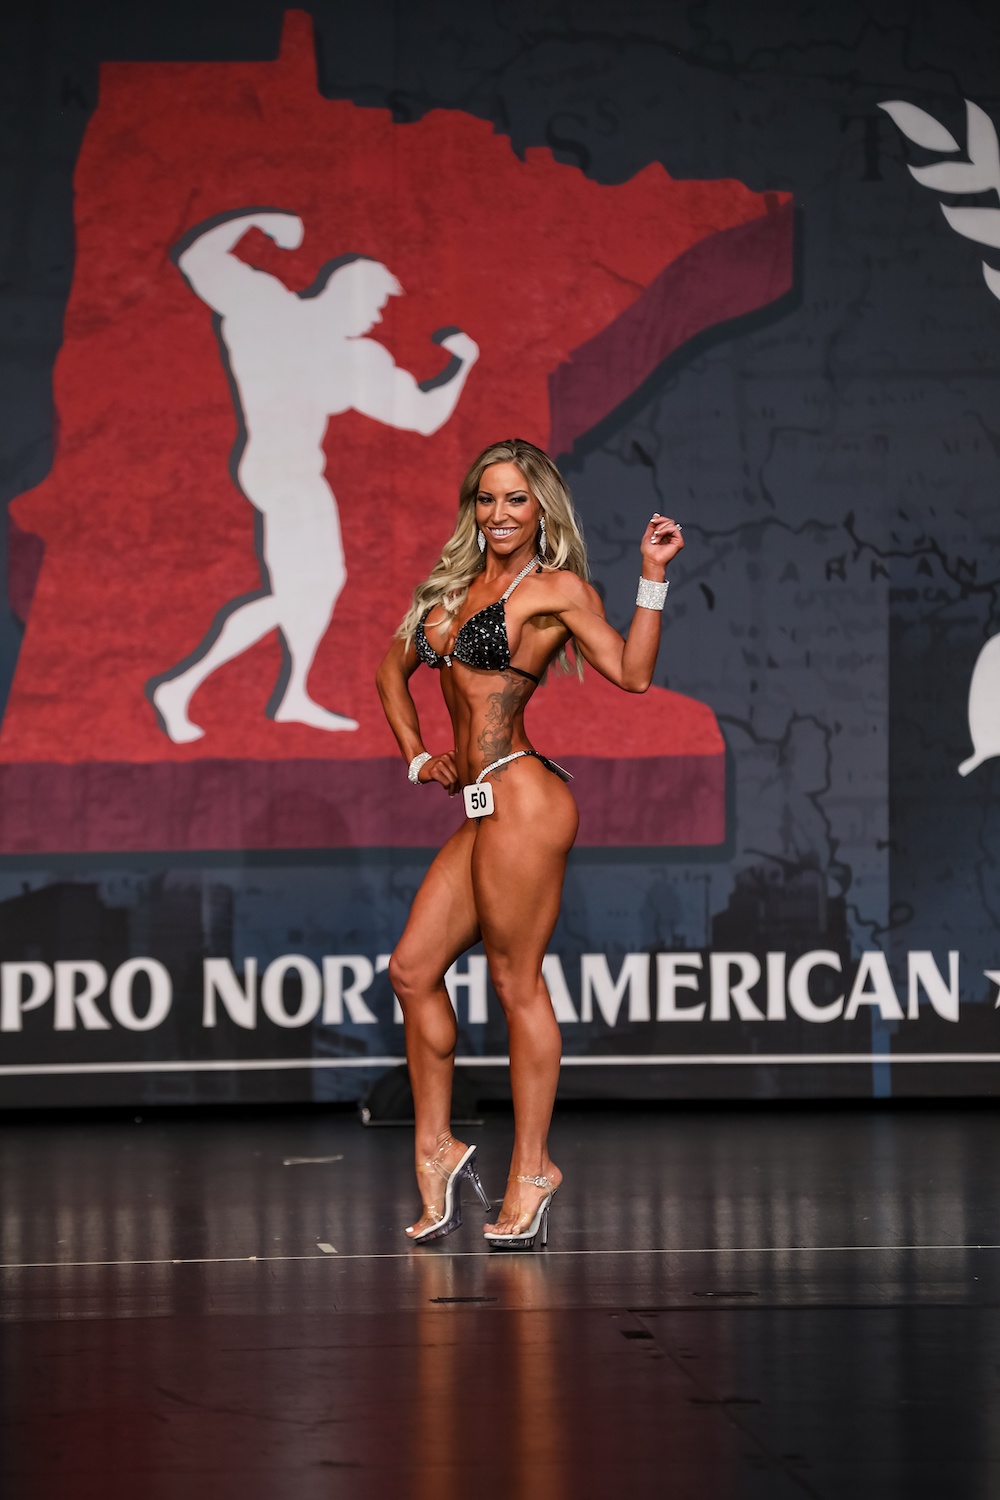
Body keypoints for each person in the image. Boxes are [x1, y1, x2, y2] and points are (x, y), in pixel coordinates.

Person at [376, 438, 683, 1248]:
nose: (499, 513)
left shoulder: (554, 591)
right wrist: (418, 756)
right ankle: (437, 1148)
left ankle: (534, 1167)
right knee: (411, 970)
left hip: (525, 796)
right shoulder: (449, 590)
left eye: (516, 498)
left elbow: (633, 673)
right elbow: (390, 671)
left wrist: (652, 574)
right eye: (486, 498)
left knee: (516, 986)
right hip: (481, 807)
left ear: (541, 507)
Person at [149, 209, 479, 743]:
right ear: (349, 294)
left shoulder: (344, 353)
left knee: (318, 586)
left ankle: (292, 692)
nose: (376, 318)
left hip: (294, 473)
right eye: (375, 305)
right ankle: (182, 686)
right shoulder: (271, 311)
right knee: (301, 590)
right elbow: (198, 259)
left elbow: (422, 416)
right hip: (283, 474)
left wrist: (460, 367)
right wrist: (264, 218)